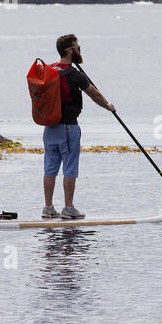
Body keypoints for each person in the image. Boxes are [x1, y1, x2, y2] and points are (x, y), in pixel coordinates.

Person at [42, 33, 116, 219]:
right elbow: (95, 95)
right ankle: (68, 209)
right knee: (70, 168)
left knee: (50, 168)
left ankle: (48, 208)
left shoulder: (49, 70)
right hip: (68, 127)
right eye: (78, 48)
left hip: (49, 127)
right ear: (69, 51)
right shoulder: (74, 74)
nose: (79, 51)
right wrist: (108, 107)